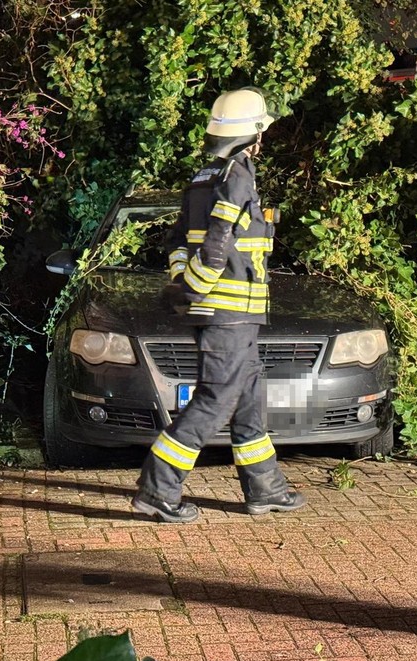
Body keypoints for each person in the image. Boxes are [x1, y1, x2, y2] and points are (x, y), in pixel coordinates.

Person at [133, 88, 306, 524]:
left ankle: (265, 488)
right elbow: (217, 244)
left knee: (247, 398)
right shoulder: (237, 174)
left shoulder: (202, 177)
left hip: (230, 314)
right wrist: (195, 287)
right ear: (253, 134)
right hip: (229, 313)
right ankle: (158, 489)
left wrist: (183, 283)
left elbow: (177, 240)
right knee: (215, 399)